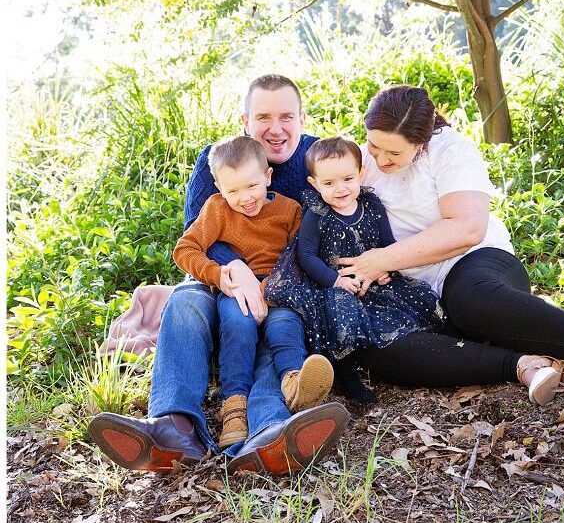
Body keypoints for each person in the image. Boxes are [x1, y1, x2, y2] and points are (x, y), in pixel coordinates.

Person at [88, 75, 349, 475]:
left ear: (302, 118)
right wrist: (235, 269)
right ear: (244, 120)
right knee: (185, 299)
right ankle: (174, 426)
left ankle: (269, 431)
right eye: (263, 116)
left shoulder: (318, 159)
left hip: (283, 284)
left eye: (286, 116)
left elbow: (320, 234)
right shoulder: (217, 158)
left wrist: (272, 284)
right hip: (221, 280)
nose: (275, 128)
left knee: (273, 327)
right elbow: (197, 229)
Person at [333, 85, 564, 410]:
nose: (380, 159)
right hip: (414, 295)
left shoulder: (449, 151)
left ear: (421, 141)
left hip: (474, 265)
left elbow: (467, 228)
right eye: (373, 145)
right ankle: (523, 365)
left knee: (470, 300)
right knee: (371, 341)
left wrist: (382, 259)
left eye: (394, 153)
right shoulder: (359, 160)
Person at [172, 136, 334, 449]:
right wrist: (218, 274)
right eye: (232, 190)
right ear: (218, 187)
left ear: (268, 177)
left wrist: (271, 288)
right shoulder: (217, 209)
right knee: (238, 325)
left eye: (251, 186)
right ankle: (234, 409)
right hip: (236, 291)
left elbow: (299, 255)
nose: (244, 198)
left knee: (285, 326)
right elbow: (185, 249)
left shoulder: (290, 211)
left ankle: (295, 383)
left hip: (280, 290)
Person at [264, 137, 446, 403]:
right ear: (315, 184)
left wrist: (385, 268)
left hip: (371, 278)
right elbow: (306, 256)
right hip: (329, 283)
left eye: (348, 179)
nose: (340, 189)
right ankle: (347, 375)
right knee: (340, 312)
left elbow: (387, 245)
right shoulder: (317, 212)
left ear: (360, 173)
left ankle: (434, 346)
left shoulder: (371, 206)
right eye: (328, 183)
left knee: (413, 300)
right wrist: (335, 281)